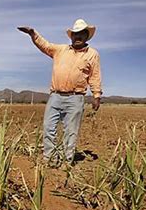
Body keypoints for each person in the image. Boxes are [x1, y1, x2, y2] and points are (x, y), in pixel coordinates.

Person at [18, 18, 102, 166]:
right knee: (49, 127)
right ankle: (50, 159)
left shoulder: (92, 54)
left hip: (76, 98)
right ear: (72, 36)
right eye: (75, 34)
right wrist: (33, 34)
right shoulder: (60, 50)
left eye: (81, 34)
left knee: (71, 131)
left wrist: (96, 95)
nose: (78, 37)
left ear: (86, 36)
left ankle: (66, 161)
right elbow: (45, 45)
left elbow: (95, 75)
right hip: (55, 96)